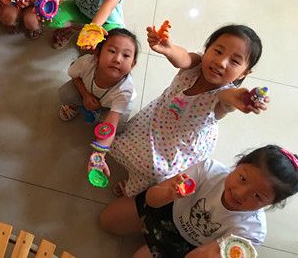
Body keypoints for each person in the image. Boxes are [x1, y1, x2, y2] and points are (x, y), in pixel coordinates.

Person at [110, 24, 268, 197]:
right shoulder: (196, 63)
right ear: (207, 49)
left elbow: (229, 98)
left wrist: (240, 98)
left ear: (243, 73)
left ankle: (134, 184)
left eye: (235, 61)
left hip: (180, 143)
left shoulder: (223, 95)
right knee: (127, 139)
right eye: (218, 51)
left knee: (157, 172)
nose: (221, 62)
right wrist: (169, 50)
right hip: (158, 117)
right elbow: (182, 58)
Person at [99, 145, 298, 257]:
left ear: (271, 204)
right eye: (243, 178)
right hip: (169, 208)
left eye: (258, 196)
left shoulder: (251, 231)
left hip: (189, 245)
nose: (240, 193)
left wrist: (210, 254)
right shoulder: (209, 170)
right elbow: (152, 200)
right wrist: (168, 192)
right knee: (108, 221)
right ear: (239, 162)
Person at [57, 28, 138, 170]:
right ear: (97, 54)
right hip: (86, 91)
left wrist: (99, 155)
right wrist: (84, 94)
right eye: (112, 51)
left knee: (118, 127)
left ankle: (100, 117)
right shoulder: (86, 63)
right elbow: (73, 74)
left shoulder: (125, 90)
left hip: (111, 106)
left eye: (126, 55)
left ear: (132, 65)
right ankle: (76, 105)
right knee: (66, 93)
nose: (117, 59)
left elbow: (112, 123)